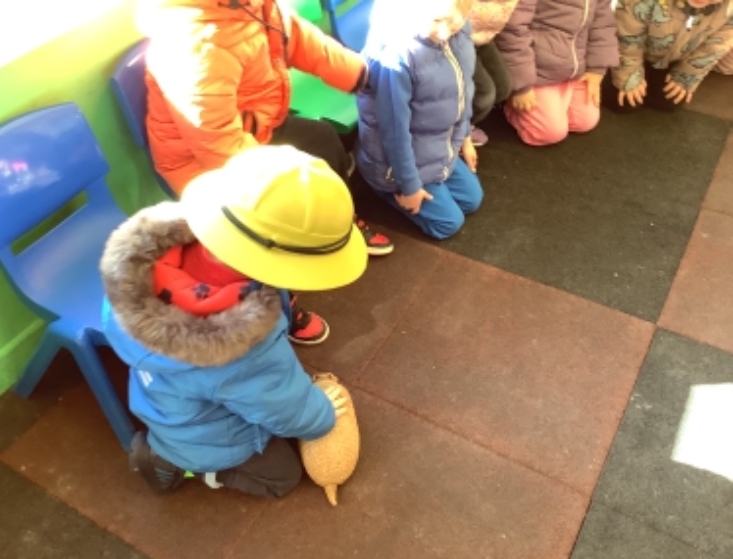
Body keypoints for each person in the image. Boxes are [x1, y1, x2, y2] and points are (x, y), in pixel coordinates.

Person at [99, 145, 367, 498]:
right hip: (205, 439)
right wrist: (321, 416)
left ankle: (168, 446)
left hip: (161, 398)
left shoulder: (150, 259)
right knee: (282, 477)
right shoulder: (242, 349)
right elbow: (280, 404)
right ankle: (177, 465)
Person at [137, 0, 393, 344]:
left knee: (322, 139)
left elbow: (303, 41)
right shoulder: (192, 45)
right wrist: (276, 185)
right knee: (264, 220)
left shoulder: (255, 6)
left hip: (257, 130)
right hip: (201, 163)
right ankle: (280, 301)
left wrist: (362, 75)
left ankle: (337, 222)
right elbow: (215, 141)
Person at [356, 0, 484, 240]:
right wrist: (409, 187)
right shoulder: (397, 56)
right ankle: (386, 189)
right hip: (395, 162)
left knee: (472, 199)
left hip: (435, 145)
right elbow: (394, 131)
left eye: (454, 22)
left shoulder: (459, 29)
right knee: (449, 223)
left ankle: (429, 176)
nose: (445, 32)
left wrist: (465, 136)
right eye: (437, 20)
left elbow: (463, 89)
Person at [494, 0, 619, 146]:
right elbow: (513, 29)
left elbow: (603, 23)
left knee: (585, 121)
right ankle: (510, 105)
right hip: (537, 71)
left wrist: (597, 69)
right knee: (548, 133)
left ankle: (554, 105)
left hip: (575, 68)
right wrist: (521, 86)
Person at [605, 0, 733, 111]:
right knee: (621, 101)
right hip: (632, 51)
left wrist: (685, 76)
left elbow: (713, 48)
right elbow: (626, 38)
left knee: (668, 100)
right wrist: (628, 75)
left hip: (674, 57)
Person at [470, 0, 519, 146]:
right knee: (484, 94)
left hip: (483, 36)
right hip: (456, 37)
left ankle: (467, 122)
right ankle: (457, 131)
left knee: (503, 87)